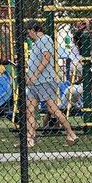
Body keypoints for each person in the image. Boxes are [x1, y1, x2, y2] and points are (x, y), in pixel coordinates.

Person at [24, 20, 78, 148]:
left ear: (32, 30)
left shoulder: (45, 39)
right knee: (30, 110)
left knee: (52, 109)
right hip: (33, 83)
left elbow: (46, 58)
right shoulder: (36, 43)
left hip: (45, 81)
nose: (28, 36)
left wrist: (35, 75)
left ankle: (71, 133)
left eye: (28, 33)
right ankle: (29, 139)